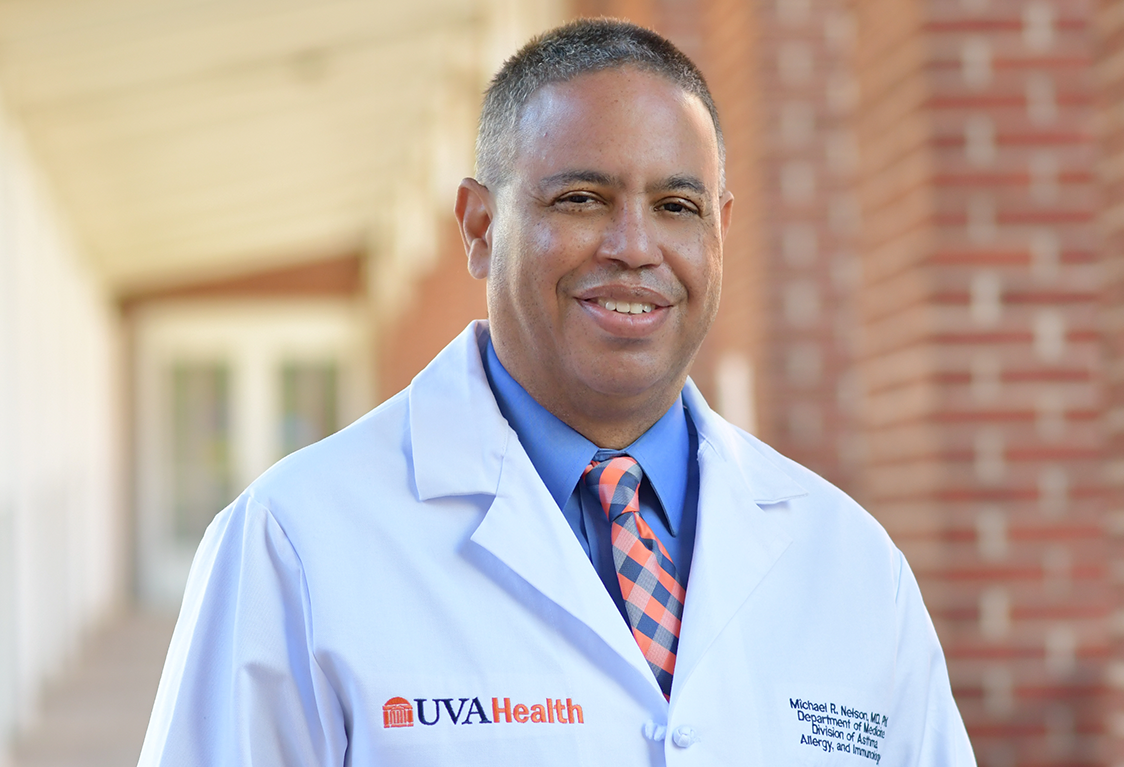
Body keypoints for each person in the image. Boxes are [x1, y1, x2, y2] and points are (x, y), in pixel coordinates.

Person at [139, 18, 976, 766]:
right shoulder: (295, 544)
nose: (634, 247)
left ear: (719, 232)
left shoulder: (852, 566)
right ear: (478, 227)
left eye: (677, 205)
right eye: (581, 198)